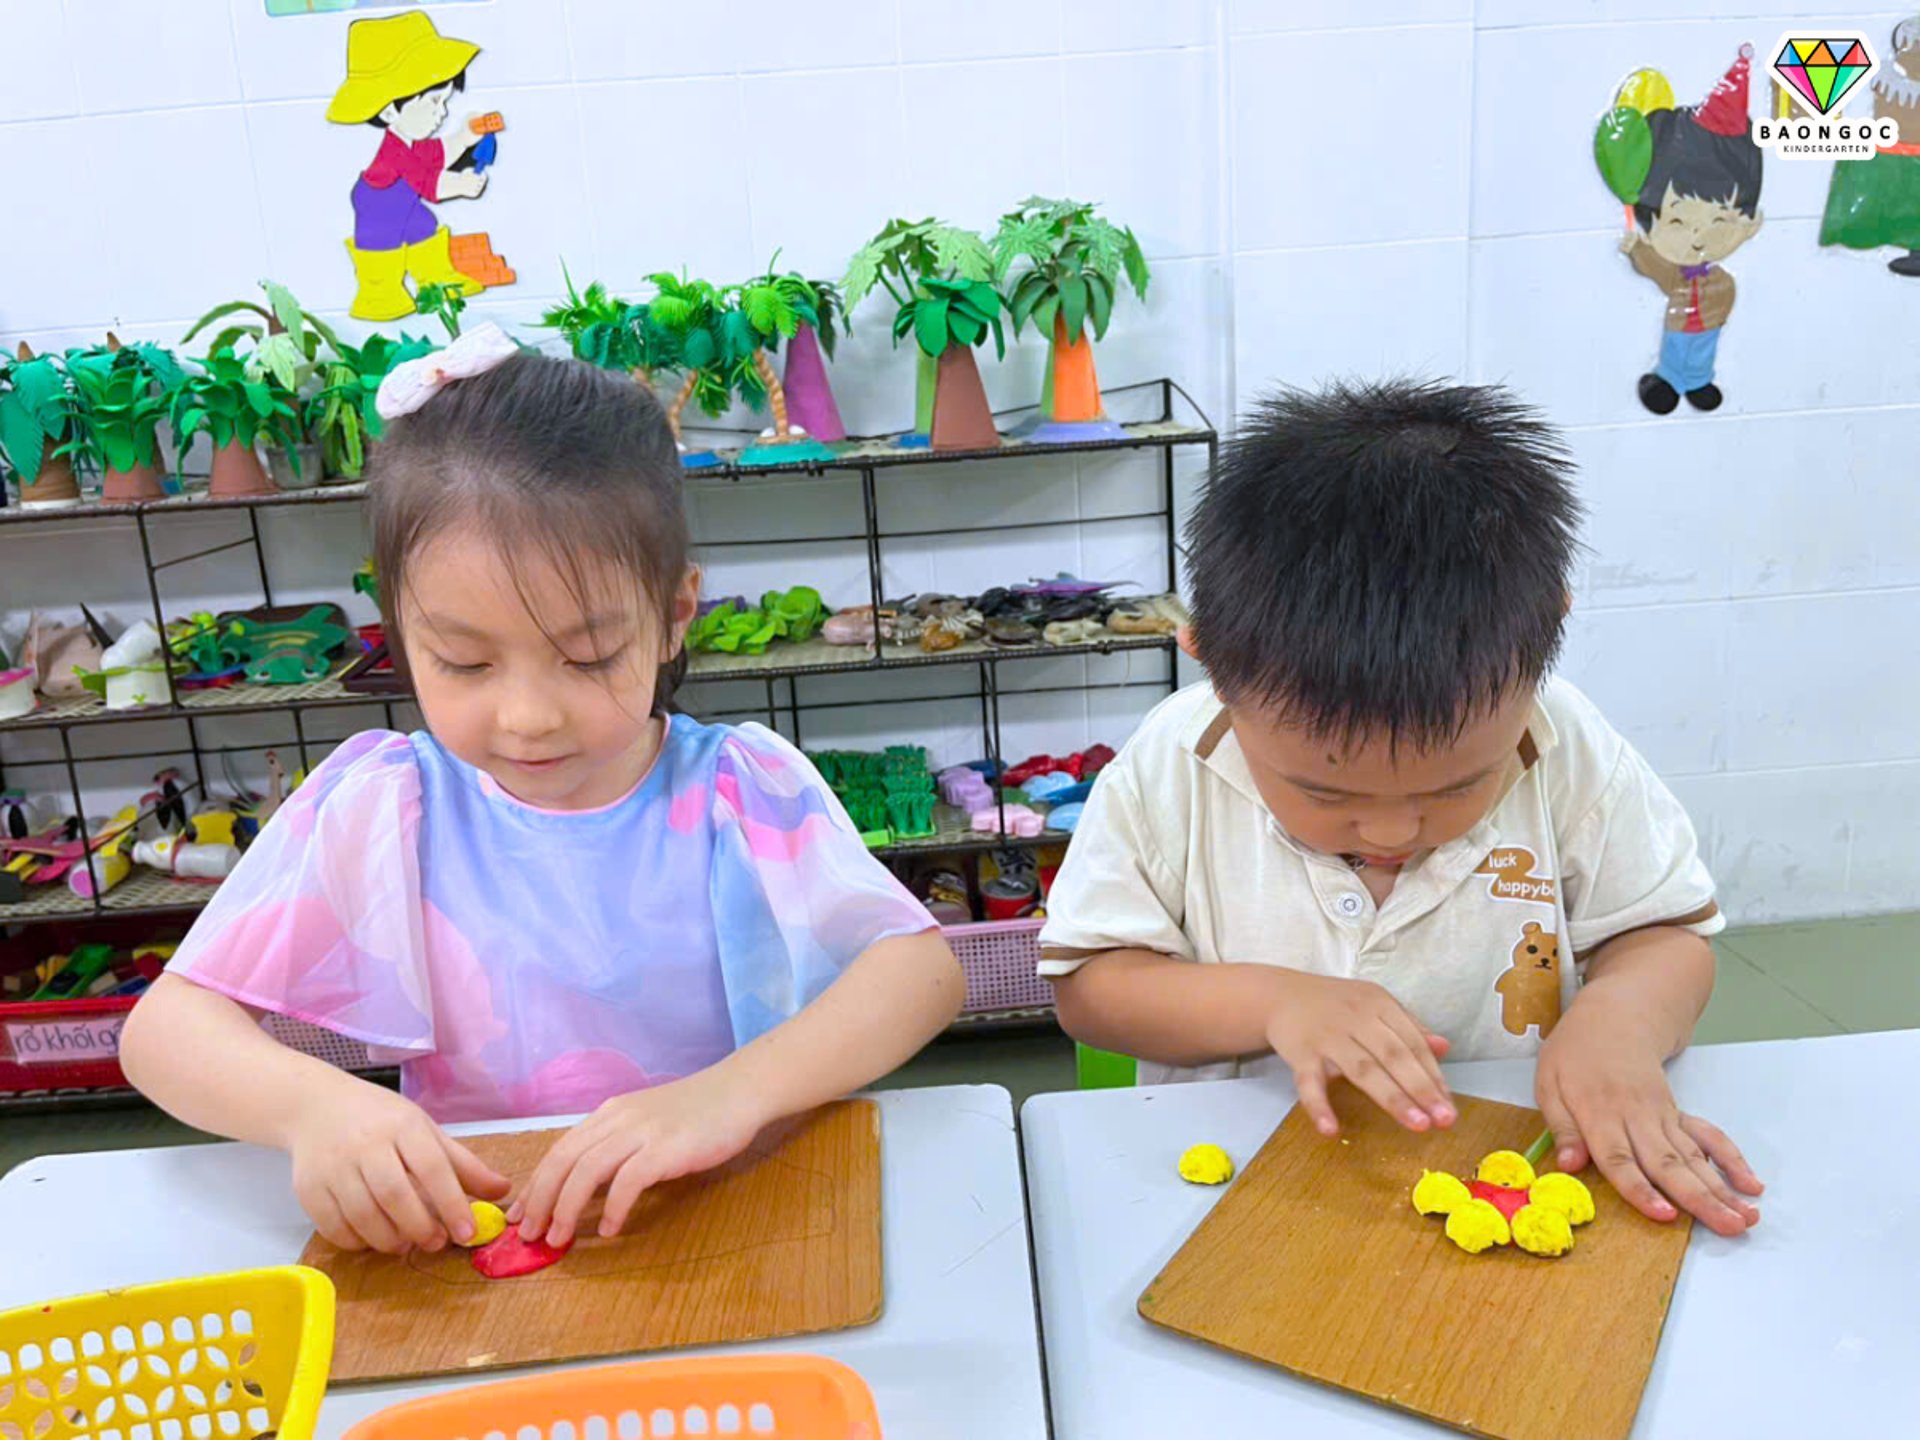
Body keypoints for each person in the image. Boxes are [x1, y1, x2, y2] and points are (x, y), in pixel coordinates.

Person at [121, 328, 964, 1255]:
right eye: (464, 661)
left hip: (722, 1213)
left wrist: (728, 1095)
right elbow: (164, 1031)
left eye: (588, 656)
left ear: (676, 613)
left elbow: (918, 973)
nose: (528, 717)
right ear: (399, 625)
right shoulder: (387, 803)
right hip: (483, 1239)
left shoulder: (736, 788)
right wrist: (314, 1110)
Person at [1041, 379, 1764, 1238]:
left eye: (1457, 786)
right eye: (1323, 791)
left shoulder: (1563, 744)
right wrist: (1275, 1004)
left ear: (1540, 649)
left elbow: (1664, 935)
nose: (1390, 833)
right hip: (1240, 1189)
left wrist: (1619, 1024)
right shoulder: (1173, 763)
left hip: (1501, 1160)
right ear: (1211, 665)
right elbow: (1091, 989)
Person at [325, 11, 509, 321]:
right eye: (434, 102)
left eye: (445, 101)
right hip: (379, 204)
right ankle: (378, 297)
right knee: (380, 254)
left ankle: (437, 279)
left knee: (425, 230)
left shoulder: (411, 144)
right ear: (388, 112)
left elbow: (436, 154)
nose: (442, 113)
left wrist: (465, 136)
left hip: (404, 204)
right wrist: (460, 185)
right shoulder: (394, 153)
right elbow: (426, 183)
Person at [1620, 46, 1764, 414]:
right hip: (1681, 326)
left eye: (1720, 220)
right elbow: (1656, 268)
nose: (1699, 237)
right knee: (1678, 350)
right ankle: (1668, 380)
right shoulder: (1675, 276)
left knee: (1702, 351)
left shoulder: (1719, 281)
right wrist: (1638, 249)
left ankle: (1698, 381)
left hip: (1708, 326)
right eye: (1679, 221)